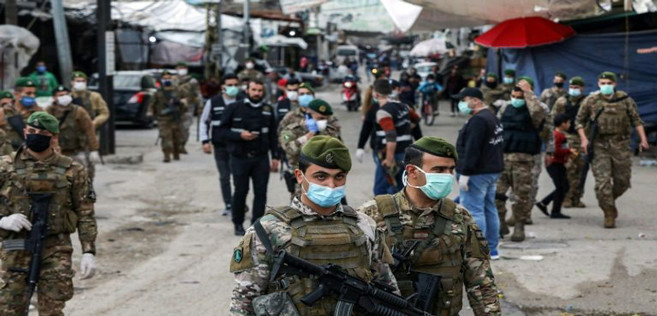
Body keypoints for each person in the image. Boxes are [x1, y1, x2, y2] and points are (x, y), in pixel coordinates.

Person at [229, 136, 399, 315]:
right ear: (299, 176)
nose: (331, 185)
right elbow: (243, 302)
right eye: (321, 176)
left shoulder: (364, 225)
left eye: (339, 177)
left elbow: (387, 287)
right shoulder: (270, 230)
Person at [358, 136, 501, 316]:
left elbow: (481, 282)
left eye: (450, 169)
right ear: (412, 171)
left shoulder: (460, 218)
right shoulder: (372, 213)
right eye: (439, 169)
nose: (448, 176)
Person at [0, 112, 97, 315]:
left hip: (56, 248)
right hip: (14, 247)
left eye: (42, 132)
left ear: (53, 137)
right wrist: (3, 220)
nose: (36, 135)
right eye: (32, 131)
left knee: (52, 310)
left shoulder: (73, 170)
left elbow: (85, 212)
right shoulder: (5, 167)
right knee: (9, 309)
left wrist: (88, 251)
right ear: (25, 132)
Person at [575, 71, 649, 228]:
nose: (606, 86)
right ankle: (609, 212)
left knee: (623, 181)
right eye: (603, 83)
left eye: (609, 83)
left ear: (615, 84)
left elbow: (636, 120)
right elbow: (579, 121)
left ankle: (608, 199)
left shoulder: (625, 100)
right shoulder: (591, 100)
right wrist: (584, 139)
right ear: (598, 84)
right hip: (599, 145)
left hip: (620, 145)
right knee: (603, 182)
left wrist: (643, 139)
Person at [217, 79, 280, 236]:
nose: (257, 93)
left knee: (261, 192)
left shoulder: (267, 109)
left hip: (261, 158)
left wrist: (276, 157)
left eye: (259, 90)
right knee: (240, 191)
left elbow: (273, 135)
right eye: (254, 90)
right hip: (240, 158)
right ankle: (238, 223)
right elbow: (220, 132)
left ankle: (256, 225)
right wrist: (239, 135)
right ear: (247, 90)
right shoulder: (234, 108)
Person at [495, 80, 550, 242]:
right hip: (502, 158)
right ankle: (501, 222)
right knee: (496, 195)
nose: (515, 99)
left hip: (523, 160)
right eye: (513, 96)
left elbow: (539, 115)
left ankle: (519, 225)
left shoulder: (536, 108)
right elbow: (497, 128)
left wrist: (529, 94)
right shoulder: (505, 108)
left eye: (519, 96)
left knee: (521, 196)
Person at [455, 88, 504, 259]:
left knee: (474, 210)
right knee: (489, 208)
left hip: (477, 172)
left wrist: (466, 173)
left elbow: (472, 149)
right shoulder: (491, 116)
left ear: (475, 100)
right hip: (491, 170)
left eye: (464, 99)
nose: (460, 103)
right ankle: (492, 248)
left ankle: (477, 250)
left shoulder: (479, 120)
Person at [279, 99, 341, 198]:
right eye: (320, 118)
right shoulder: (293, 130)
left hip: (325, 182)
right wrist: (305, 138)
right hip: (302, 182)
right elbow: (288, 149)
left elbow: (339, 153)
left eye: (325, 119)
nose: (323, 122)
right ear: (308, 115)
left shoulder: (330, 131)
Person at [200, 73, 240, 216]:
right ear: (223, 87)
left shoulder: (242, 101)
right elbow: (204, 121)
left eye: (235, 85)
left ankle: (238, 202)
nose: (233, 88)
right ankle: (228, 204)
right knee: (224, 176)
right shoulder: (214, 102)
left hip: (238, 146)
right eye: (230, 85)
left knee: (239, 176)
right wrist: (205, 141)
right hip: (220, 146)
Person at [47, 86, 101, 179]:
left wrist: (94, 149)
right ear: (54, 98)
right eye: (61, 95)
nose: (64, 97)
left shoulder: (78, 111)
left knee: (82, 177)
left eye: (66, 94)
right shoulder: (48, 112)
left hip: (76, 151)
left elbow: (89, 129)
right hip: (57, 152)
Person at [374, 79, 416, 195]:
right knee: (402, 187)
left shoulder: (383, 112)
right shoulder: (403, 106)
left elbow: (391, 136)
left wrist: (389, 159)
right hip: (406, 151)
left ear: (376, 94)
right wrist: (405, 128)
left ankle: (388, 212)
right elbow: (416, 118)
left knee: (380, 190)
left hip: (394, 154)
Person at [551, 76, 587, 208]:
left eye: (576, 87)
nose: (573, 90)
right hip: (567, 137)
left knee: (581, 169)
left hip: (581, 138)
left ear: (582, 88)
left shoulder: (587, 102)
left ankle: (577, 197)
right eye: (572, 87)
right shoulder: (562, 101)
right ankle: (567, 197)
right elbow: (554, 118)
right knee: (569, 168)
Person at [536, 113, 572, 219]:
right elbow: (555, 150)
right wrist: (569, 151)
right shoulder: (556, 135)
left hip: (559, 163)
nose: (570, 124)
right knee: (561, 187)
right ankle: (555, 211)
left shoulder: (561, 135)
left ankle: (544, 203)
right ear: (562, 124)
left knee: (564, 186)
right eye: (568, 122)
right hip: (554, 163)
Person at [148, 71, 186, 162]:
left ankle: (176, 153)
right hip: (163, 118)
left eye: (168, 78)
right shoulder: (158, 92)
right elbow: (152, 104)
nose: (167, 80)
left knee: (176, 137)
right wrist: (150, 112)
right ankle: (166, 155)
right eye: (164, 78)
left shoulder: (178, 90)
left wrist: (180, 103)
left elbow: (185, 102)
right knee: (165, 136)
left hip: (176, 117)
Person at [174, 62, 202, 152]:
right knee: (175, 127)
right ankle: (175, 145)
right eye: (180, 67)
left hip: (188, 106)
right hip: (175, 106)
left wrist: (200, 106)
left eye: (183, 68)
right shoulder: (172, 80)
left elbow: (198, 94)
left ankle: (182, 144)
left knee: (185, 127)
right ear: (176, 69)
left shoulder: (192, 81)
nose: (181, 70)